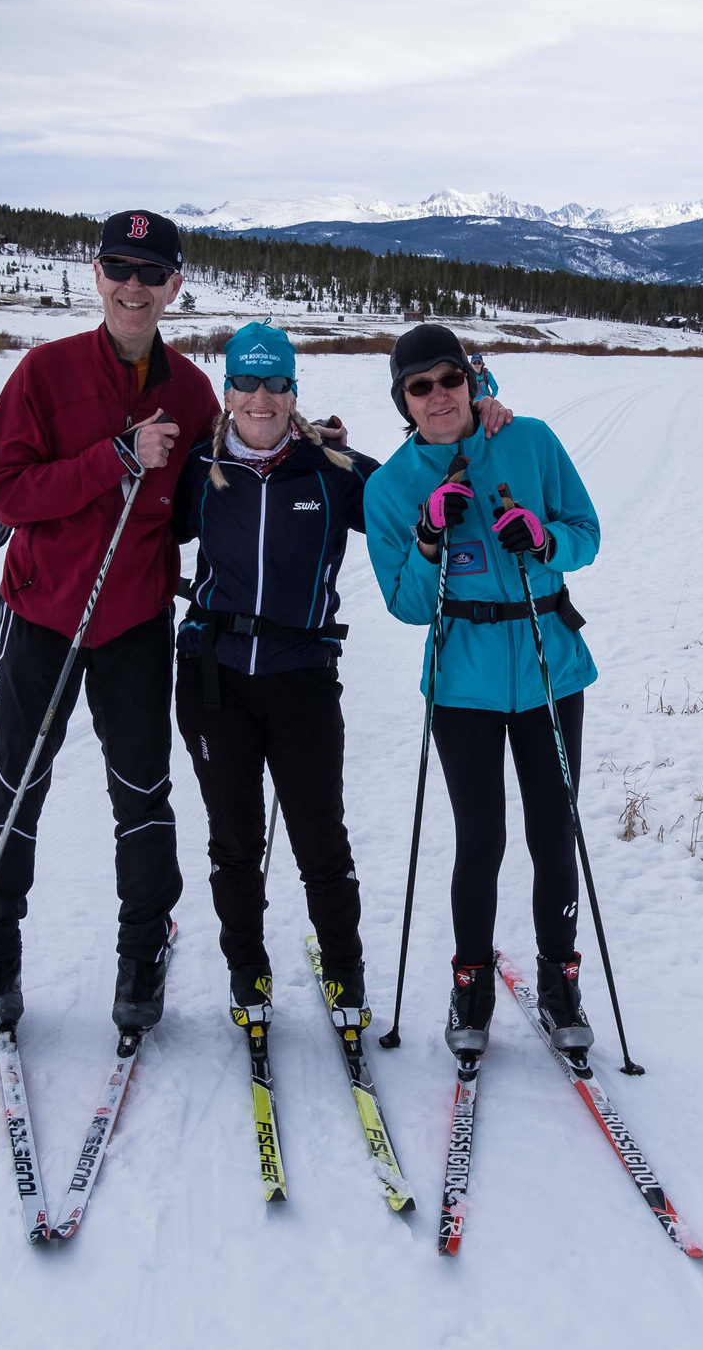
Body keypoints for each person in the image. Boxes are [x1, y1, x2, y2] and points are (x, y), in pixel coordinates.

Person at [170, 323, 514, 1030]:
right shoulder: (198, 471)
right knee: (232, 841)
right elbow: (140, 522)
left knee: (320, 838)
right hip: (214, 680)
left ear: (294, 389)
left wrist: (484, 417)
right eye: (246, 383)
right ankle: (247, 973)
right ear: (227, 389)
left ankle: (345, 971)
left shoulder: (332, 467)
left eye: (276, 384)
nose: (261, 399)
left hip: (302, 677)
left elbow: (416, 479)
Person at [0, 210, 218, 1035]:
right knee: (16, 782)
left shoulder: (191, 391)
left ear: (175, 285)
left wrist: (298, 443)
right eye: (119, 267)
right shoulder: (45, 372)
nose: (133, 286)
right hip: (42, 610)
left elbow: (199, 502)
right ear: (96, 275)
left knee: (143, 792)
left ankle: (140, 961)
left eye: (151, 272)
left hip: (135, 620)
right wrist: (113, 458)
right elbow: (7, 491)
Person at [363, 325, 601, 1061]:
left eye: (449, 378)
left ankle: (561, 979)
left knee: (553, 830)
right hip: (462, 680)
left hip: (547, 668)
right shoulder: (391, 487)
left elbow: (586, 533)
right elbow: (406, 603)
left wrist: (545, 539)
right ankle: (472, 981)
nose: (438, 395)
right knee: (482, 837)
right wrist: (430, 535)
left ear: (472, 379)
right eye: (419, 385)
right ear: (403, 400)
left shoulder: (527, 441)